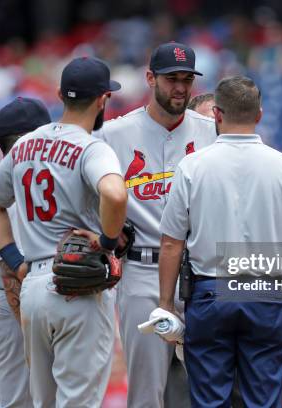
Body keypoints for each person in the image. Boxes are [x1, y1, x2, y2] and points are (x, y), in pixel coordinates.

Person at [157, 76, 282, 407]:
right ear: (259, 114)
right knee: (262, 401)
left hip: (210, 293)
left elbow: (171, 244)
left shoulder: (191, 166)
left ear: (217, 114)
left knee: (208, 401)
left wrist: (165, 303)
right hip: (266, 294)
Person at [0, 56, 127, 407]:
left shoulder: (26, 144)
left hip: (34, 288)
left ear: (60, 94)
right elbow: (115, 193)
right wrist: (106, 241)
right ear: (103, 98)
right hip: (78, 289)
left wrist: (17, 262)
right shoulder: (92, 147)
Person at [95, 41, 216, 408]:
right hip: (142, 273)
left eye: (186, 79)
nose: (180, 87)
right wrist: (105, 233)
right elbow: (86, 196)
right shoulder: (114, 134)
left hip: (201, 272)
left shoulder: (211, 132)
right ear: (150, 78)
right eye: (170, 79)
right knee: (147, 394)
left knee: (211, 388)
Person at [0, 97, 51, 408]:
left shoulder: (5, 180)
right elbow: (13, 279)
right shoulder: (16, 188)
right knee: (20, 403)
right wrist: (40, 339)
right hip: (12, 310)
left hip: (13, 307)